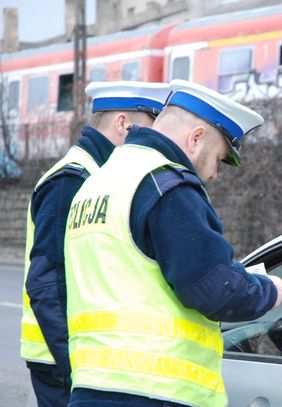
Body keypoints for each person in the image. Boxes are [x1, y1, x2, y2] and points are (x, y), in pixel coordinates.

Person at [64, 79, 282, 407]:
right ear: (196, 138)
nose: (213, 174)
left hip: (91, 388)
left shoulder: (96, 184)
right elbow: (214, 289)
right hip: (155, 391)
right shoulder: (166, 185)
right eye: (218, 158)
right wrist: (268, 291)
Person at [20, 81, 171, 407]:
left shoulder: (101, 176)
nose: (154, 141)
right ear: (122, 124)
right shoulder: (72, 180)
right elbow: (47, 283)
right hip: (64, 362)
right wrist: (76, 367)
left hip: (83, 361)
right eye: (148, 129)